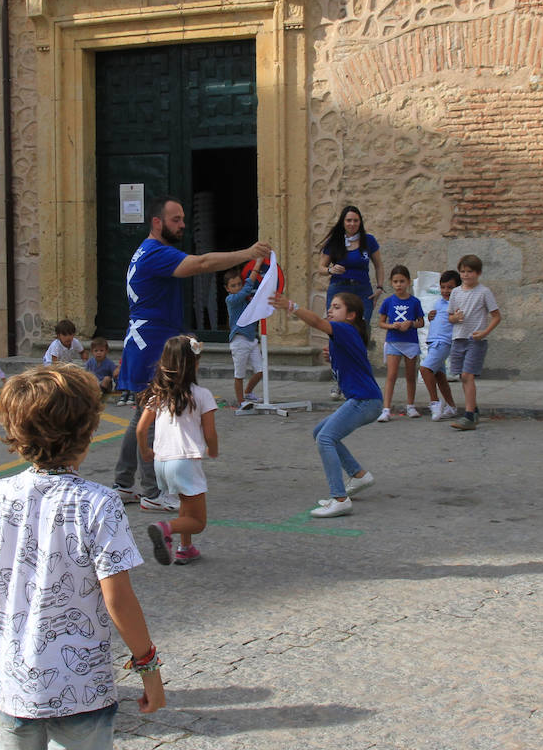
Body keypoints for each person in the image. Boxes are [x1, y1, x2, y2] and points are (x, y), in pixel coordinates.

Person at [0, 364, 165, 750]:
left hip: (16, 675)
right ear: (88, 430)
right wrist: (148, 666)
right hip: (81, 686)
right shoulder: (99, 505)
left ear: (14, 432)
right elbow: (117, 596)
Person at [113, 196, 271, 511]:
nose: (183, 224)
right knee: (154, 418)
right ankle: (153, 492)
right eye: (175, 219)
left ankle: (122, 484)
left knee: (142, 415)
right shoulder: (155, 253)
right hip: (151, 346)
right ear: (157, 223)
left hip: (145, 341)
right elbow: (201, 264)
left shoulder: (146, 251)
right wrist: (248, 254)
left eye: (183, 218)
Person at [271, 291, 380, 519]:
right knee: (320, 431)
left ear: (351, 315)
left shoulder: (345, 329)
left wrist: (291, 305)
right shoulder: (345, 334)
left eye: (337, 307)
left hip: (365, 400)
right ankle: (358, 475)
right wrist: (335, 357)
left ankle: (339, 498)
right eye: (331, 306)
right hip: (364, 399)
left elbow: (318, 322)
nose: (331, 310)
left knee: (325, 438)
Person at [137, 336, 218, 565]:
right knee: (198, 521)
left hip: (161, 463)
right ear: (194, 364)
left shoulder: (159, 395)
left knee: (186, 502)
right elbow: (210, 433)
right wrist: (213, 449)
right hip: (185, 461)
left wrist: (145, 451)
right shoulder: (202, 395)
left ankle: (185, 547)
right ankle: (165, 528)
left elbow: (141, 429)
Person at [316, 205, 385, 400]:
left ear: (360, 222)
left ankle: (360, 380)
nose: (352, 224)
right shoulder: (335, 242)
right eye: (349, 220)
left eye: (356, 220)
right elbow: (321, 267)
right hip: (339, 289)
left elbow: (379, 265)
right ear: (343, 222)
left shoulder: (368, 241)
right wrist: (330, 270)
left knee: (361, 334)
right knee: (336, 334)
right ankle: (339, 382)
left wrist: (379, 287)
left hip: (362, 291)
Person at [446, 255, 502, 431]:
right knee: (462, 376)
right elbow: (449, 317)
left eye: (469, 271)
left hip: (475, 340)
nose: (465, 275)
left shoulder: (484, 292)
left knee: (467, 375)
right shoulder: (455, 292)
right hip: (459, 338)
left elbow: (496, 316)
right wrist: (455, 317)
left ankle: (469, 415)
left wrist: (484, 332)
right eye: (462, 271)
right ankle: (474, 409)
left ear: (478, 273)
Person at [376, 265, 426, 421]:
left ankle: (410, 406)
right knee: (391, 375)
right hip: (393, 341)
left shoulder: (415, 302)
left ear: (408, 282)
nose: (399, 285)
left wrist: (410, 324)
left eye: (402, 281)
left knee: (410, 375)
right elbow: (381, 322)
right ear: (391, 283)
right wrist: (393, 326)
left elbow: (421, 322)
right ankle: (386, 409)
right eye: (396, 281)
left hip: (410, 342)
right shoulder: (388, 301)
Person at [420, 270, 460, 421]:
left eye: (450, 287)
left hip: (443, 342)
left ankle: (435, 402)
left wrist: (456, 317)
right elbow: (439, 317)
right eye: (443, 287)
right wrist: (431, 315)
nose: (445, 291)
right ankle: (451, 406)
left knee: (425, 369)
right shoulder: (439, 302)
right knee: (440, 376)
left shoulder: (457, 303)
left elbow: (458, 318)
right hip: (433, 341)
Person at [224, 264, 265, 411]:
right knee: (239, 373)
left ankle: (248, 393)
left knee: (261, 370)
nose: (238, 287)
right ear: (227, 289)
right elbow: (248, 288)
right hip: (239, 340)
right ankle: (241, 401)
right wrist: (257, 265)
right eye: (233, 286)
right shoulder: (231, 300)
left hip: (251, 339)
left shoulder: (245, 299)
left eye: (239, 284)